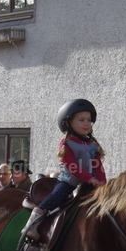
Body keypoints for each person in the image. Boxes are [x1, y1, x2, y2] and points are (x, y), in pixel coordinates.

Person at [21, 99, 106, 242]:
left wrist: (102, 182)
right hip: (70, 182)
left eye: (89, 120)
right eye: (81, 120)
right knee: (57, 196)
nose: (87, 123)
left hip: (90, 183)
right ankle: (33, 223)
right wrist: (89, 178)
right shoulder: (67, 143)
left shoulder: (92, 144)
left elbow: (97, 165)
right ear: (68, 123)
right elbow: (71, 166)